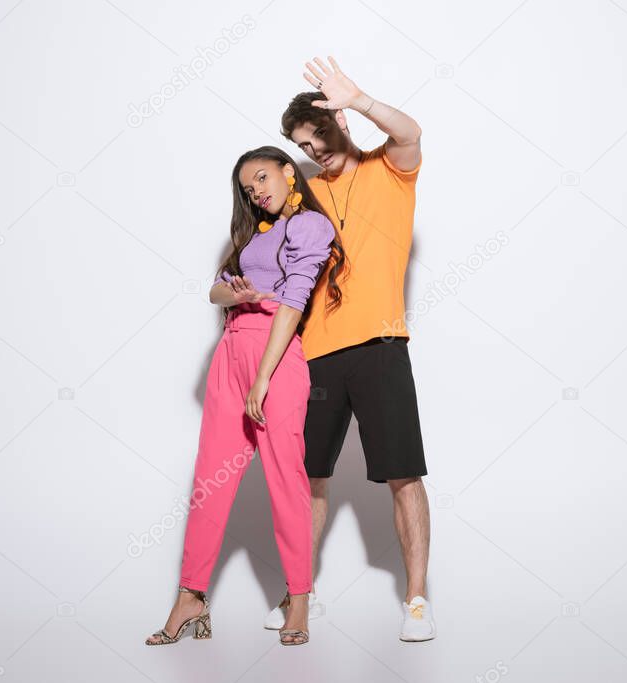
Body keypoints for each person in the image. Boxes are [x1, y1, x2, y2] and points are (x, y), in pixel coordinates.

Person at [262, 56, 435, 642]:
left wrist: (358, 98)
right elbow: (271, 260)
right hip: (314, 355)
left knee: (403, 475)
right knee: (307, 478)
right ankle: (296, 593)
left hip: (381, 345)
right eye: (304, 143)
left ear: (340, 121)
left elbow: (411, 132)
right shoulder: (301, 196)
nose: (317, 149)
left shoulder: (390, 168)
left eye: (320, 134)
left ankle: (416, 599)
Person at [146, 145, 344, 647]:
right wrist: (235, 293)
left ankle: (299, 600)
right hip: (229, 352)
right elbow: (214, 290)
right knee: (210, 481)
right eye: (248, 187)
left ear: (287, 170)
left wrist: (262, 378)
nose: (257, 191)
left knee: (286, 482)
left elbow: (294, 301)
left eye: (262, 177)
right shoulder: (251, 235)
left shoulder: (310, 227)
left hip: (273, 357)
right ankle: (190, 597)